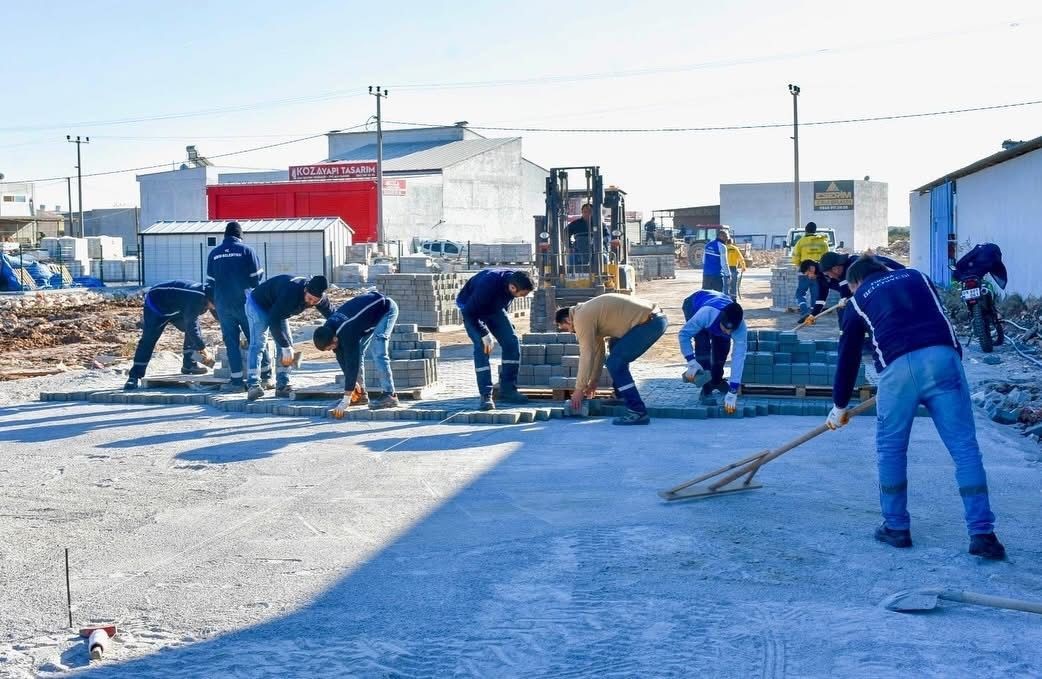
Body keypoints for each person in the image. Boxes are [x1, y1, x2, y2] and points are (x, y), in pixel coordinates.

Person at [827, 256, 1005, 560]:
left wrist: (839, 404)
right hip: (944, 358)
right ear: (882, 270)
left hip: (898, 371)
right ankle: (983, 535)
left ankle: (896, 528)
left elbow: (849, 354)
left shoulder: (856, 301)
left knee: (892, 450)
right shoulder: (918, 277)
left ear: (855, 283)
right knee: (965, 449)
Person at [555, 293, 668, 426]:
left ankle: (638, 411)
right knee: (614, 346)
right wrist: (593, 382)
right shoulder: (588, 314)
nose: (570, 332)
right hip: (652, 320)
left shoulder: (581, 318)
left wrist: (579, 389)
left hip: (650, 323)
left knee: (615, 363)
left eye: (566, 328)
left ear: (568, 320)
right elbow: (598, 353)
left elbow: (586, 354)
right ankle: (621, 395)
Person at [205, 221, 273, 393]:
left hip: (222, 304)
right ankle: (265, 376)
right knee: (255, 339)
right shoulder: (246, 251)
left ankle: (236, 381)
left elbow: (210, 283)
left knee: (231, 342)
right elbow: (257, 278)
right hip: (245, 302)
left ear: (225, 235)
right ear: (240, 235)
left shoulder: (214, 253)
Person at [456, 268, 535, 410]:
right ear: (512, 287)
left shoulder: (515, 280)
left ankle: (508, 390)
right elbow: (469, 313)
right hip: (471, 308)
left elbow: (503, 305)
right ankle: (485, 396)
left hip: (493, 308)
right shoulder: (488, 283)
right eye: (522, 294)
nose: (522, 297)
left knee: (511, 342)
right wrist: (484, 332)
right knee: (483, 346)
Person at [312, 290, 401, 415]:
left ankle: (390, 395)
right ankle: (360, 395)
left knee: (378, 350)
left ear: (335, 339)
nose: (331, 350)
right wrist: (352, 387)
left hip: (385, 309)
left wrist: (346, 398)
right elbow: (342, 358)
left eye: (329, 348)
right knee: (358, 353)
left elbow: (352, 362)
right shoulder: (329, 329)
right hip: (366, 318)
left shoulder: (346, 331)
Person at [245, 274, 332, 400]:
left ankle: (282, 385)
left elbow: (332, 315)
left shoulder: (320, 298)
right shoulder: (291, 292)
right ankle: (253, 385)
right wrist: (284, 346)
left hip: (278, 307)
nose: (311, 303)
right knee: (259, 343)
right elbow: (273, 321)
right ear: (305, 290)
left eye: (315, 301)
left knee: (288, 343)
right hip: (258, 304)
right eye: (309, 299)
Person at [124, 280, 217, 390]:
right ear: (210, 299)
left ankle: (189, 365)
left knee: (193, 332)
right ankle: (134, 377)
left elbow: (219, 315)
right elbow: (192, 327)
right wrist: (204, 350)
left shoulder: (207, 297)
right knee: (148, 340)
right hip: (157, 307)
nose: (215, 307)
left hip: (178, 309)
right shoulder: (195, 298)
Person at [678, 290, 746, 414]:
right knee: (702, 346)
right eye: (725, 328)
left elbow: (739, 356)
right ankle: (706, 388)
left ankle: (716, 380)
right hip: (694, 304)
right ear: (721, 320)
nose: (728, 333)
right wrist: (691, 361)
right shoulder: (706, 314)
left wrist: (734, 389)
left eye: (731, 330)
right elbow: (684, 335)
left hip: (717, 305)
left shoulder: (740, 327)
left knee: (723, 346)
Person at [802, 251, 905, 330]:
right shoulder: (835, 273)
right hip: (880, 290)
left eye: (828, 274)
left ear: (836, 268)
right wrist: (813, 314)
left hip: (896, 284)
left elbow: (845, 288)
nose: (830, 278)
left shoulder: (854, 265)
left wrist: (844, 298)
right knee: (847, 310)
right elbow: (822, 296)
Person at [791, 222, 830, 322]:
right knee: (816, 295)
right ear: (815, 230)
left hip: (805, 271)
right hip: (818, 272)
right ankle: (813, 316)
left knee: (800, 293)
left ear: (806, 230)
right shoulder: (823, 242)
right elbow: (827, 257)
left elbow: (795, 257)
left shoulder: (801, 242)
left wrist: (799, 266)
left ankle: (804, 312)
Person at [567, 203, 610, 271]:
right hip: (579, 249)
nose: (587, 214)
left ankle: (602, 272)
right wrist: (569, 246)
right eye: (585, 212)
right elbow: (565, 233)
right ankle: (572, 273)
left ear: (593, 212)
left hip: (597, 250)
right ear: (582, 212)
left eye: (590, 212)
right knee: (570, 258)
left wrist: (601, 241)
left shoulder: (600, 225)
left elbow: (607, 236)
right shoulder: (576, 224)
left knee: (603, 257)